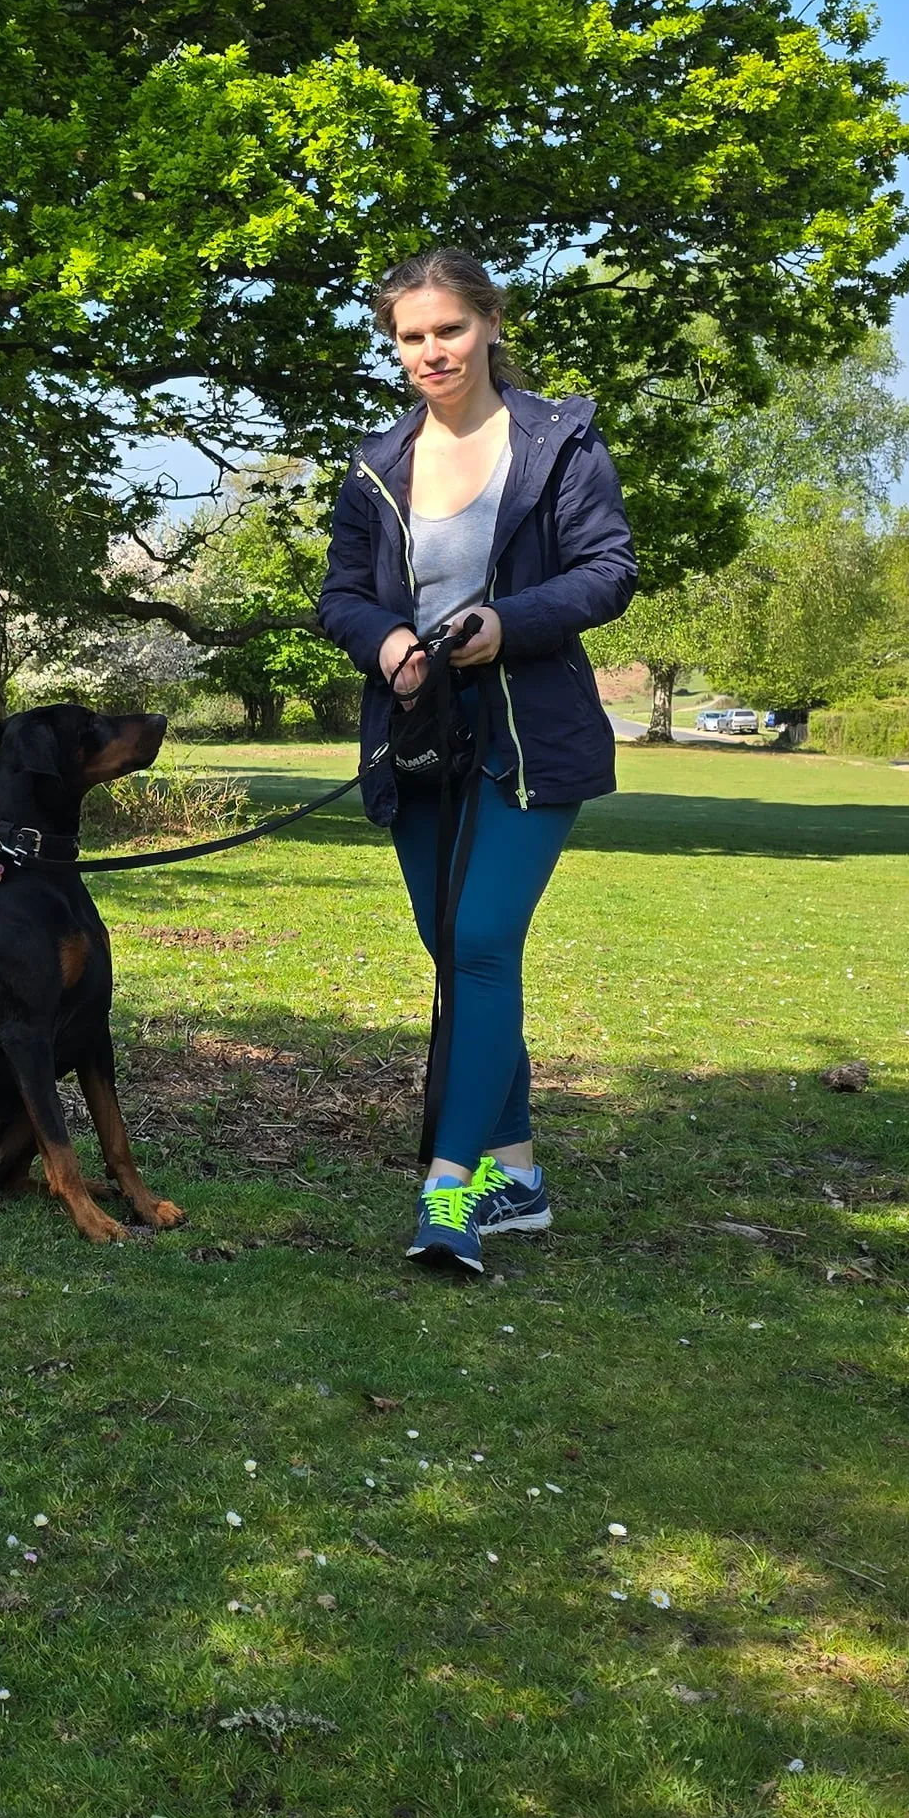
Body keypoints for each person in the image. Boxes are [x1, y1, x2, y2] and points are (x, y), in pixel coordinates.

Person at [316, 249, 636, 1271]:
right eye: (410, 337)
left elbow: (606, 571)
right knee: (455, 959)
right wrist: (389, 643)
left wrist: (509, 622)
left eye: (446, 329)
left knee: (485, 943)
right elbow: (342, 597)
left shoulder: (559, 443)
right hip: (417, 743)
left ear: (491, 322)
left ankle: (447, 1196)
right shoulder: (376, 462)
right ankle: (519, 1178)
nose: (429, 352)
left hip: (530, 738)